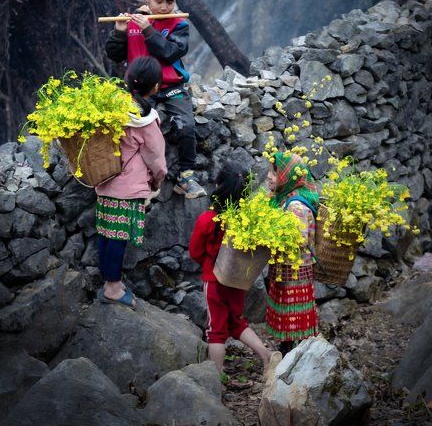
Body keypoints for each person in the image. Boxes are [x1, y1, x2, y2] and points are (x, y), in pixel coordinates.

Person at [105, 0, 206, 200]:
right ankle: (136, 177)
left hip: (171, 86)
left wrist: (149, 30)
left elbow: (171, 53)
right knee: (130, 128)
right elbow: (114, 55)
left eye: (170, 2)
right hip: (139, 89)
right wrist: (119, 31)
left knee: (186, 125)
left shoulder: (179, 24)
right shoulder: (133, 22)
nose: (164, 7)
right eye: (159, 1)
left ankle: (186, 176)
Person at [95, 56, 167, 307]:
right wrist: (157, 182)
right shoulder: (145, 120)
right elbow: (157, 159)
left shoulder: (113, 109)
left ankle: (108, 282)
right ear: (155, 86)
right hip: (128, 188)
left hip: (105, 181)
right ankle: (113, 288)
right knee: (118, 237)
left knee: (106, 234)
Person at [188, 161, 273, 372]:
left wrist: (207, 264)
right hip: (236, 280)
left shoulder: (207, 219)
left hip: (214, 281)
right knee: (237, 322)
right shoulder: (246, 221)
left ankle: (216, 378)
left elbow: (195, 252)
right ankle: (267, 355)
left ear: (218, 185)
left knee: (216, 331)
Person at [265, 151, 319, 354]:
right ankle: (288, 352)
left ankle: (297, 356)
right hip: (285, 268)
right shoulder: (282, 199)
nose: (269, 176)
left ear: (288, 176)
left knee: (294, 318)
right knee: (287, 318)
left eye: (274, 172)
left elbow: (301, 239)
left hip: (295, 271)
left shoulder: (296, 205)